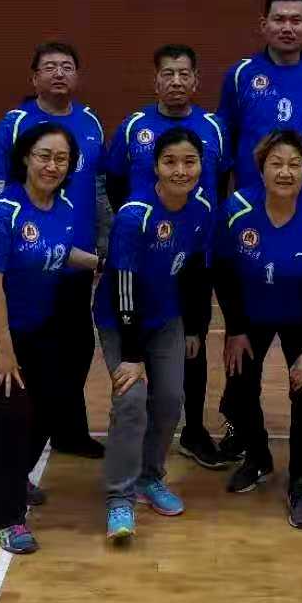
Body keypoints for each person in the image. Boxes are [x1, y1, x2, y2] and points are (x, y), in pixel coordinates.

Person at [217, 0, 302, 462]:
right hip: (253, 219)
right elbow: (227, 138)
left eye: (296, 19)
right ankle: (239, 423)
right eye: (279, 19)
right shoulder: (240, 75)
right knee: (242, 340)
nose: (287, 27)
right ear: (264, 25)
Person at [0, 124, 102, 555]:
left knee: (52, 405)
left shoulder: (64, 207)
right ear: (25, 158)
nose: (52, 166)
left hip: (33, 324)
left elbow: (57, 252)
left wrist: (100, 263)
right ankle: (4, 518)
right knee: (14, 410)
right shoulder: (2, 212)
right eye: (44, 156)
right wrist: (5, 352)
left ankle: (14, 476)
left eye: (61, 158)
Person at [105, 44, 232, 470]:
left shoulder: (214, 127)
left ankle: (192, 431)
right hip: (144, 255)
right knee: (140, 336)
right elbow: (115, 183)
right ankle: (141, 432)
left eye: (184, 74)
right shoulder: (133, 126)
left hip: (194, 252)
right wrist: (139, 230)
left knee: (192, 342)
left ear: (196, 80)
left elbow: (220, 183)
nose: (176, 81)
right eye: (168, 74)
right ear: (155, 80)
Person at [0, 42, 109, 460]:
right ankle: (25, 439)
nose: (58, 73)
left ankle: (69, 431)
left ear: (78, 76)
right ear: (34, 77)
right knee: (38, 356)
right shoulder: (16, 122)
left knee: (77, 351)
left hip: (74, 258)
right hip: (28, 263)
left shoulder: (90, 121)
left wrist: (102, 243)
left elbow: (98, 188)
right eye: (49, 67)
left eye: (67, 66)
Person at [216, 130, 302, 531]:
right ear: (261, 169)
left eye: (294, 165)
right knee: (239, 390)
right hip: (251, 316)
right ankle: (258, 458)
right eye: (276, 163)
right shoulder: (237, 208)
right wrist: (235, 329)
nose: (285, 172)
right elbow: (224, 272)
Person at [95, 128, 215, 540]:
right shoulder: (135, 215)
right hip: (120, 319)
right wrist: (132, 355)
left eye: (189, 162)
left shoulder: (201, 208)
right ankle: (119, 497)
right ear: (156, 167)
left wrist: (194, 326)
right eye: (170, 162)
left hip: (166, 318)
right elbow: (123, 285)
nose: (181, 170)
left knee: (168, 400)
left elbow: (196, 270)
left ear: (201, 166)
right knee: (131, 400)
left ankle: (149, 477)